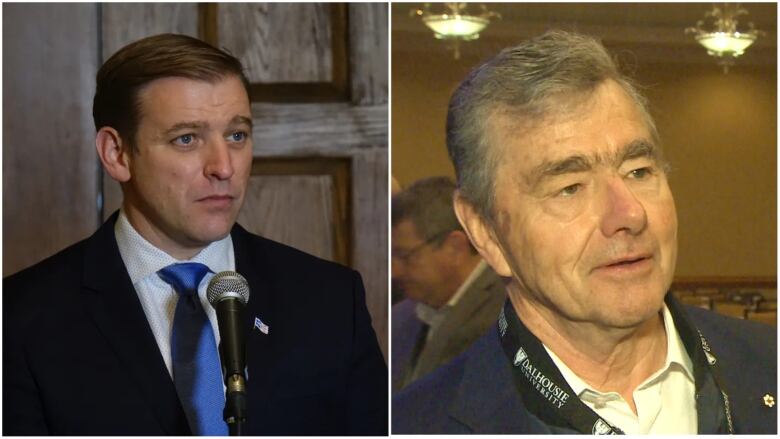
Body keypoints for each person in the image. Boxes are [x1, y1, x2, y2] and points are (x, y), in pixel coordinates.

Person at [392, 31, 776, 434]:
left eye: (639, 171)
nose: (629, 213)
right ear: (484, 231)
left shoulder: (770, 362)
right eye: (570, 187)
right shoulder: (416, 425)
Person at [4, 33, 387, 436]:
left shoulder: (329, 298)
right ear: (117, 153)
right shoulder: (22, 318)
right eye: (186, 139)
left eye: (237, 135)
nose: (223, 167)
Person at [391, 177, 504, 392]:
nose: (394, 272)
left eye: (406, 256)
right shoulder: (401, 315)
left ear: (455, 247)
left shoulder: (507, 314)